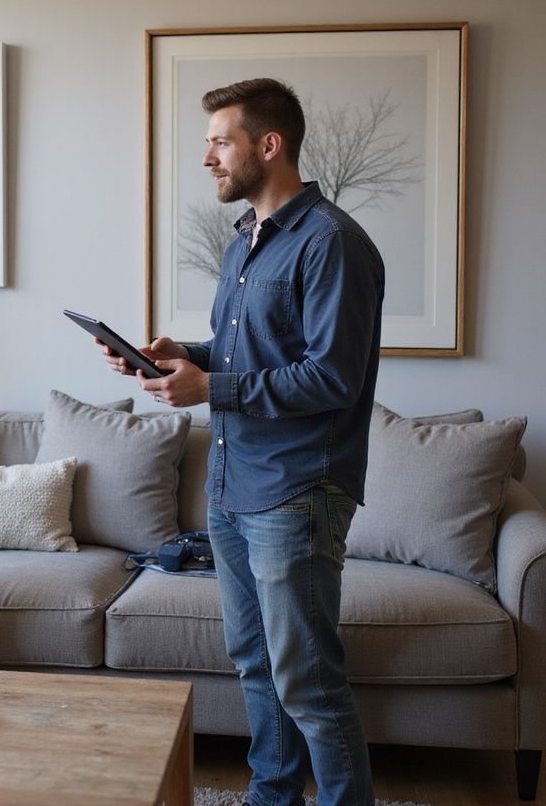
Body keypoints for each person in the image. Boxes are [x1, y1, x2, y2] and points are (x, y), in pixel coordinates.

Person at [100, 78, 384, 806]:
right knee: (255, 665)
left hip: (296, 493)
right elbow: (252, 351)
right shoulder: (246, 242)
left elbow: (332, 378)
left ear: (269, 145)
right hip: (232, 488)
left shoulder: (334, 244)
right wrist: (180, 355)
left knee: (309, 682)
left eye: (219, 142)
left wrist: (208, 389)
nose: (208, 159)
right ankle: (271, 797)